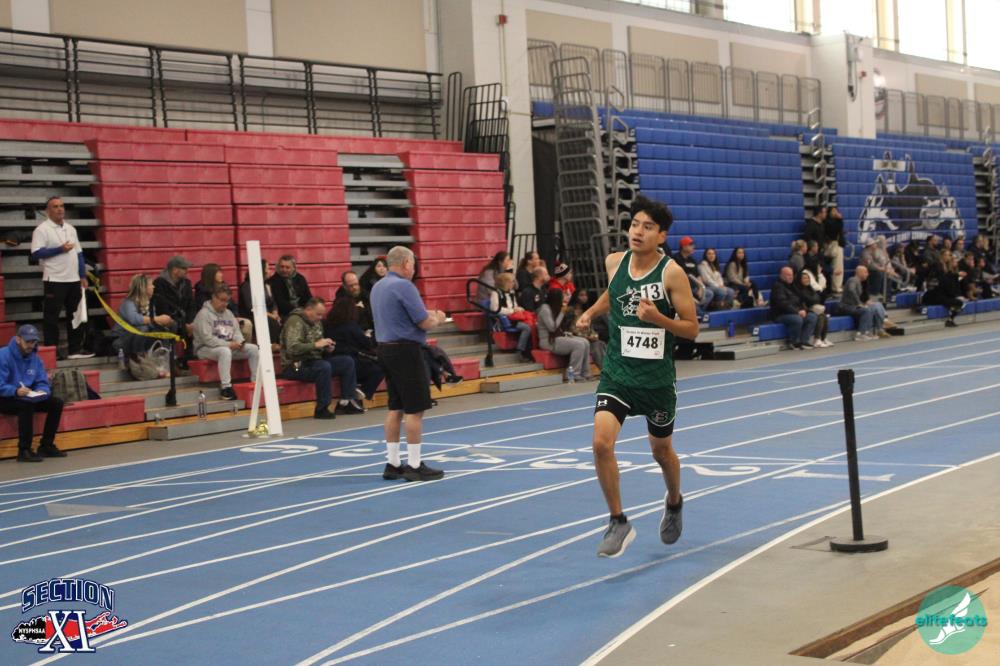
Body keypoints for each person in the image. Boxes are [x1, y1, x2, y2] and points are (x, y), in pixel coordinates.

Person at [574, 195, 699, 558]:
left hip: (656, 380)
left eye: (647, 227)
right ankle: (618, 521)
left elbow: (691, 329)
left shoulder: (671, 273)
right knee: (601, 443)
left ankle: (674, 501)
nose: (638, 232)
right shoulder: (615, 262)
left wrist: (657, 318)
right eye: (634, 225)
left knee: (661, 451)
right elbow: (613, 295)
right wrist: (591, 312)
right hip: (618, 374)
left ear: (661, 235)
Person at [370, 246, 447, 482]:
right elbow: (423, 322)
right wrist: (438, 318)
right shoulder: (404, 286)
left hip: (385, 348)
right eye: (413, 263)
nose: (414, 268)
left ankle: (393, 463)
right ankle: (414, 465)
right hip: (406, 350)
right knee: (415, 409)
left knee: (396, 407)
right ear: (405, 263)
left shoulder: (378, 286)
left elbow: (401, 313)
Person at [279, 297, 365, 419]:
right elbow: (292, 348)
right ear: (308, 309)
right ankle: (322, 408)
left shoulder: (317, 322)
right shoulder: (295, 321)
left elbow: (318, 346)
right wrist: (316, 345)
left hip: (314, 361)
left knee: (347, 362)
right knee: (323, 367)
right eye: (318, 314)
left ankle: (347, 402)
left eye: (322, 315)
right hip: (294, 366)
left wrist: (326, 348)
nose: (320, 318)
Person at [30, 196, 93, 359]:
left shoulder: (71, 228)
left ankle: (74, 350)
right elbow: (36, 253)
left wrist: (82, 275)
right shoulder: (42, 229)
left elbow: (79, 253)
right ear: (48, 211)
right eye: (55, 206)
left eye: (62, 206)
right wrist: (59, 249)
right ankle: (52, 352)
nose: (60, 209)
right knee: (51, 318)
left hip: (74, 279)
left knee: (75, 315)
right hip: (55, 279)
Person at [0, 325, 67, 462]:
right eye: (28, 341)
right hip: (5, 397)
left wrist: (43, 391)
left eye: (34, 342)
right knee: (26, 405)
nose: (31, 345)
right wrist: (15, 391)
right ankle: (24, 450)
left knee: (56, 403)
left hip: (26, 396)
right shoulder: (3, 356)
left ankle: (46, 445)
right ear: (18, 339)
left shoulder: (35, 359)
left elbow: (42, 381)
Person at [193, 285, 259, 400]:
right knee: (225, 351)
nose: (224, 303)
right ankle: (226, 388)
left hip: (227, 346)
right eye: (222, 300)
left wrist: (240, 342)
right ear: (213, 297)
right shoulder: (203, 314)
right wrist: (229, 344)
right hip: (205, 349)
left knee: (253, 349)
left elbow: (236, 332)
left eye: (227, 301)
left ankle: (256, 382)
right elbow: (207, 340)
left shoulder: (228, 313)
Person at [323, 296, 385, 401]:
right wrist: (368, 336)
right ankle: (364, 391)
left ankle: (357, 388)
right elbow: (367, 344)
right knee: (380, 368)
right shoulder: (351, 326)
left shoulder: (327, 324)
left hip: (333, 359)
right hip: (351, 361)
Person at [537, 288, 591, 381]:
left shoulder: (555, 307)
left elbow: (560, 327)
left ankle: (585, 373)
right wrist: (562, 313)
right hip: (548, 341)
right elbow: (552, 328)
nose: (564, 299)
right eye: (562, 297)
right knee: (579, 345)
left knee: (585, 342)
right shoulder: (545, 309)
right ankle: (574, 374)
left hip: (558, 337)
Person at [112, 274, 173, 354]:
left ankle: (165, 354)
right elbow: (135, 319)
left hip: (139, 337)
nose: (153, 287)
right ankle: (138, 356)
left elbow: (151, 324)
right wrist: (158, 319)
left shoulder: (149, 303)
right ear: (143, 288)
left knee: (164, 328)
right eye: (151, 285)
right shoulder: (128, 303)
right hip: (121, 340)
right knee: (143, 329)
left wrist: (163, 323)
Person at [151, 255, 196, 364]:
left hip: (184, 320)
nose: (187, 271)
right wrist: (182, 323)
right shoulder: (159, 283)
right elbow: (162, 308)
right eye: (184, 268)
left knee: (197, 325)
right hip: (168, 320)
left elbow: (191, 305)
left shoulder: (187, 283)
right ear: (175, 270)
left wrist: (190, 322)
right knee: (173, 325)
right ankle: (171, 362)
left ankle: (189, 361)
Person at [769, 266, 818, 349]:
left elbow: (800, 300)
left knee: (812, 317)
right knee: (797, 319)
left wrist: (803, 310)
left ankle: (804, 341)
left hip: (794, 312)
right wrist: (797, 311)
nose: (791, 277)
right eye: (788, 275)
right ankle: (794, 342)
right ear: (782, 275)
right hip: (780, 314)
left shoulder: (793, 286)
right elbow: (783, 303)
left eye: (791, 275)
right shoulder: (778, 287)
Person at [238, 259, 281, 352]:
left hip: (267, 314)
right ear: (262, 270)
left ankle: (281, 345)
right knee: (270, 321)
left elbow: (272, 302)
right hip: (251, 315)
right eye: (267, 268)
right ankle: (269, 346)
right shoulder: (246, 286)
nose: (269, 271)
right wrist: (270, 315)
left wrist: (275, 311)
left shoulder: (266, 285)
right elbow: (251, 307)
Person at [490, 272, 533, 362]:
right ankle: (520, 351)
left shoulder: (511, 293)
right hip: (506, 319)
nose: (513, 284)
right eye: (512, 281)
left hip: (514, 317)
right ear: (505, 282)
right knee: (527, 328)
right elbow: (495, 309)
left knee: (532, 325)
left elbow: (514, 306)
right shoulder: (496, 293)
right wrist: (512, 311)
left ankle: (529, 351)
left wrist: (518, 309)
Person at [840, 266, 887, 340]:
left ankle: (872, 330)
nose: (867, 274)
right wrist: (859, 303)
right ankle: (860, 334)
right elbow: (851, 290)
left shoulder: (860, 282)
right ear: (860, 273)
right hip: (847, 306)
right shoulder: (853, 280)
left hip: (853, 306)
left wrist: (862, 303)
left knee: (872, 308)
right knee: (866, 310)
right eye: (865, 272)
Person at [923, 250, 965, 327]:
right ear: (942, 256)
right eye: (947, 255)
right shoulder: (937, 266)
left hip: (941, 294)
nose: (949, 257)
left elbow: (950, 284)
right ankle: (950, 320)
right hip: (933, 295)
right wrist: (956, 275)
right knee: (959, 303)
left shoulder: (947, 268)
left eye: (949, 255)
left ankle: (950, 320)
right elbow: (939, 282)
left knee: (959, 301)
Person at [566, 289, 607, 369]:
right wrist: (586, 337)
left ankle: (608, 369)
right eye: (581, 295)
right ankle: (604, 370)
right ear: (576, 297)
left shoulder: (586, 310)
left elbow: (591, 328)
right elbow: (570, 329)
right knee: (596, 346)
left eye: (585, 295)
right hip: (577, 338)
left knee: (601, 343)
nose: (584, 297)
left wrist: (594, 336)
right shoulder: (570, 310)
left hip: (588, 338)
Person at [794, 270, 832, 348]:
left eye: (808, 278)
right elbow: (807, 301)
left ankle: (822, 338)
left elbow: (817, 299)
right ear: (800, 280)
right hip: (805, 310)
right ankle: (816, 339)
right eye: (804, 278)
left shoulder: (810, 288)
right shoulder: (798, 290)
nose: (807, 280)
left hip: (811, 309)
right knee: (819, 316)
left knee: (823, 316)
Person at [676, 236, 713, 315]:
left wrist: (700, 288)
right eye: (690, 245)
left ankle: (699, 312)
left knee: (709, 293)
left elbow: (698, 276)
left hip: (694, 288)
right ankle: (699, 313)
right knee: (693, 302)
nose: (693, 247)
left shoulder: (692, 260)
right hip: (683, 289)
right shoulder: (676, 258)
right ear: (683, 246)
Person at [268, 255, 312, 319]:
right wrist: (299, 311)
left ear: (293, 268)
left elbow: (308, 297)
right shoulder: (274, 281)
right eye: (282, 267)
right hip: (285, 314)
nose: (284, 270)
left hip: (302, 311)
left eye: (287, 267)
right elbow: (280, 303)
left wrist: (311, 309)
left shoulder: (300, 278)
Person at [823, 206, 846, 294]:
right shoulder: (828, 222)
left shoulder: (836, 221)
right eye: (833, 211)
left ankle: (837, 285)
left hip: (837, 245)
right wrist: (840, 220)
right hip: (833, 245)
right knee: (837, 266)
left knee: (838, 266)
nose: (835, 212)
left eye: (836, 210)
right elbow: (835, 230)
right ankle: (836, 286)